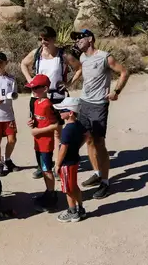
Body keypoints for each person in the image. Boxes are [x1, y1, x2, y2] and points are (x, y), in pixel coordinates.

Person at [70, 29, 129, 199]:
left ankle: (105, 182)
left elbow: (124, 72)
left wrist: (116, 91)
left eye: (80, 38)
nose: (77, 41)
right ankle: (97, 173)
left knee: (99, 143)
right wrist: (70, 82)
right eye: (76, 39)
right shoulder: (83, 57)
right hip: (84, 104)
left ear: (90, 39)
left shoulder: (104, 56)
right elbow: (81, 69)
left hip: (98, 106)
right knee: (88, 140)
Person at [21, 26, 79, 180]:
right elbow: (23, 64)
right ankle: (43, 165)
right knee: (39, 129)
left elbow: (79, 68)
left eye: (46, 39)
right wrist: (31, 81)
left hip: (57, 96)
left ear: (53, 39)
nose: (43, 42)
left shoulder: (63, 55)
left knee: (58, 131)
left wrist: (69, 83)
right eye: (41, 39)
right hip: (38, 97)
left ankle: (59, 165)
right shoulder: (37, 53)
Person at [26, 74, 61, 212]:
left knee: (46, 169)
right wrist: (32, 123)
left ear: (45, 88)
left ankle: (52, 195)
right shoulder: (35, 103)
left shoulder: (48, 104)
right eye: (32, 88)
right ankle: (48, 191)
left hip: (46, 143)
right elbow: (38, 120)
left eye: (36, 88)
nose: (33, 90)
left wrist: (38, 131)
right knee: (42, 167)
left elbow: (56, 125)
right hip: (37, 142)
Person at [53, 97, 88, 222]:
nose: (60, 112)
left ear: (71, 113)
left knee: (68, 189)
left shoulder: (67, 130)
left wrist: (57, 164)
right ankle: (80, 208)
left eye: (63, 110)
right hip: (75, 160)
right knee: (74, 185)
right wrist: (78, 145)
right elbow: (87, 135)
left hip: (67, 163)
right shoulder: (78, 125)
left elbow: (63, 148)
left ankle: (73, 211)